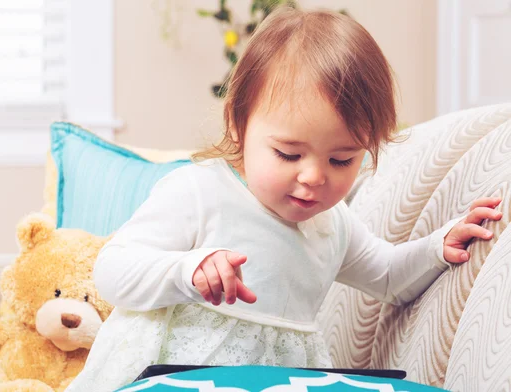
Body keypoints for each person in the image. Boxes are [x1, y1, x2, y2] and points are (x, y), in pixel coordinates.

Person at [66, 7, 503, 391]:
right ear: (239, 126)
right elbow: (111, 270)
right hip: (170, 374)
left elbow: (388, 276)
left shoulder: (334, 226)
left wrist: (436, 248)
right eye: (288, 154)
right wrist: (186, 269)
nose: (314, 177)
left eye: (341, 159)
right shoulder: (199, 192)